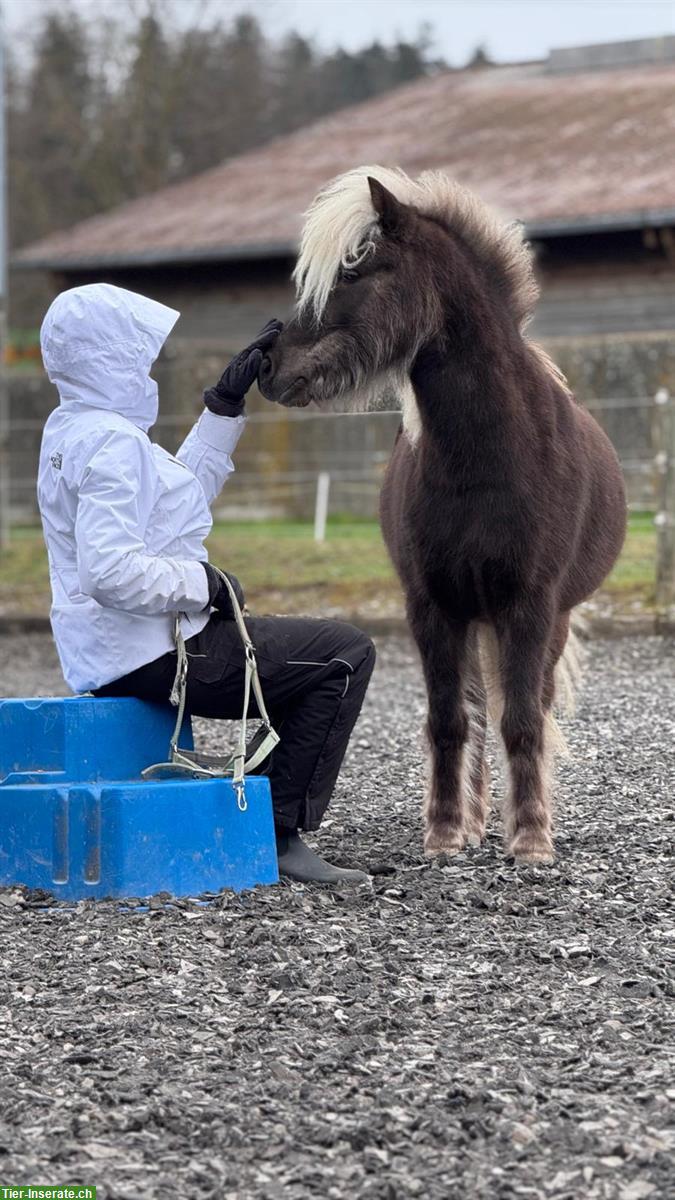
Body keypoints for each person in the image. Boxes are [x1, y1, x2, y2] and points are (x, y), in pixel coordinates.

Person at [37, 283, 375, 884]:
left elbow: (169, 512)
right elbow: (108, 570)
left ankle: (249, 805)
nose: (148, 367)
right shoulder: (111, 444)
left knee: (310, 652)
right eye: (135, 354)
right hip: (159, 656)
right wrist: (205, 584)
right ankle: (275, 831)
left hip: (115, 653)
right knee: (344, 654)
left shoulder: (73, 431)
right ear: (110, 359)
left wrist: (223, 406)